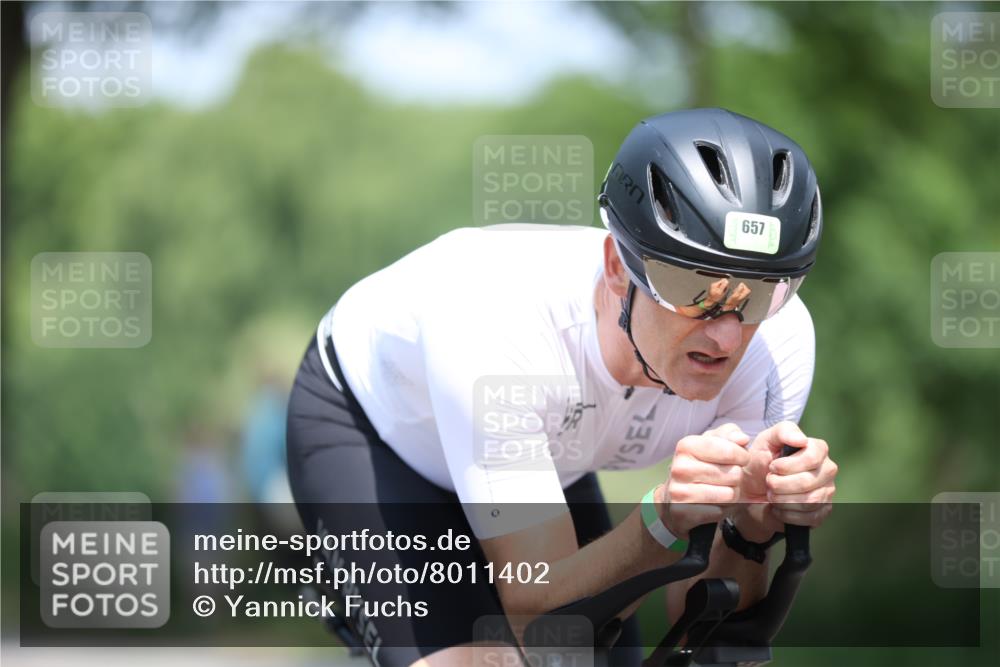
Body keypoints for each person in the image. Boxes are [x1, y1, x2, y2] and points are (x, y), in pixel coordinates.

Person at [286, 108, 839, 667]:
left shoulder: (777, 343)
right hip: (379, 432)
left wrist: (751, 525)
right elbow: (535, 614)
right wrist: (663, 518)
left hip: (547, 451)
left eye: (761, 291)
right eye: (694, 286)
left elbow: (696, 623)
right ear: (617, 269)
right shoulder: (495, 319)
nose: (725, 333)